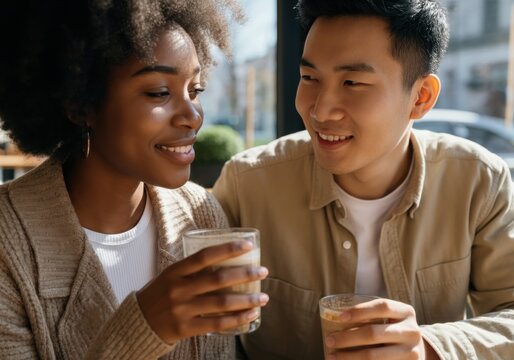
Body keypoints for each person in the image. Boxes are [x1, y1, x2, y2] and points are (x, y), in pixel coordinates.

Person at [212, 0, 514, 359]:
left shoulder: (478, 180)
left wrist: (428, 347)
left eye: (353, 82)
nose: (320, 110)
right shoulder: (247, 184)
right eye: (309, 78)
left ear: (421, 97)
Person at [0, 1, 269, 359]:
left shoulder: (201, 217)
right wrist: (145, 329)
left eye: (195, 90)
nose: (193, 116)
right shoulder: (8, 241)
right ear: (80, 104)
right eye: (159, 92)